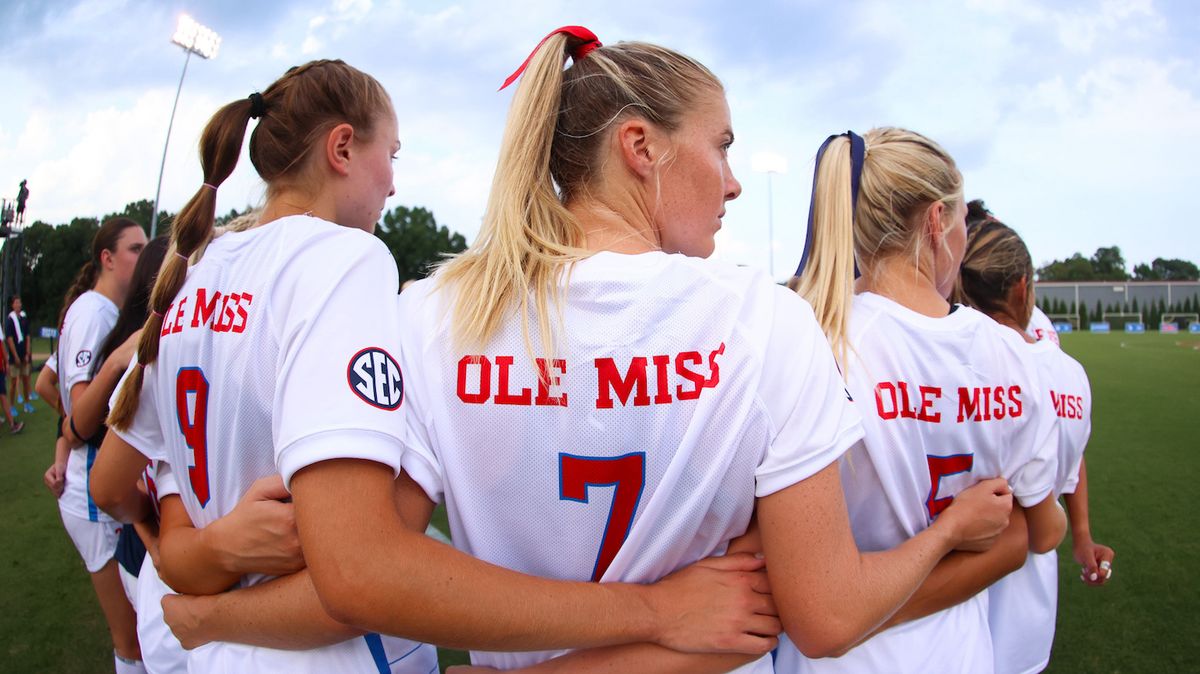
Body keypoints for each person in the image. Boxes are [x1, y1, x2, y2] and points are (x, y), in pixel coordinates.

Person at [152, 30, 1012, 674]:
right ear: (640, 147)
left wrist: (205, 610)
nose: (736, 181)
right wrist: (946, 537)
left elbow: (364, 577)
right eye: (722, 147)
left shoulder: (432, 314)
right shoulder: (760, 321)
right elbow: (822, 617)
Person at [91, 57, 775, 673]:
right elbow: (361, 568)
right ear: (342, 149)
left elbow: (115, 485)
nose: (393, 181)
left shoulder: (195, 271)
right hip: (313, 654)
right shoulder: (339, 260)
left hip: (204, 643)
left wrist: (201, 559)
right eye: (390, 154)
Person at [784, 128, 1067, 673]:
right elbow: (1041, 531)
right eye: (963, 223)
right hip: (957, 654)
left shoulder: (816, 339)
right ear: (937, 221)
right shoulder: (1014, 356)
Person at [954, 219, 1114, 674]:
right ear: (1024, 286)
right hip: (1019, 611)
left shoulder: (936, 360)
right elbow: (1065, 460)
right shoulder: (1064, 373)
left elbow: (1070, 451)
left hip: (944, 617)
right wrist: (1074, 533)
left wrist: (1081, 537)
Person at [52, 215, 148, 674]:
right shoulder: (95, 312)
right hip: (93, 493)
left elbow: (47, 384)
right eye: (134, 248)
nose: (144, 255)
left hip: (92, 480)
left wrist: (62, 442)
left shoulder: (97, 310)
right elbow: (82, 414)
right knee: (130, 637)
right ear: (107, 258)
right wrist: (70, 438)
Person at [8, 295, 35, 412]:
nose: (18, 305)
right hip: (15, 356)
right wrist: (15, 355)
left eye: (19, 303)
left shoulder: (23, 318)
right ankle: (11, 406)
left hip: (24, 354)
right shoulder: (10, 320)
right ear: (12, 305)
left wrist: (28, 352)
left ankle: (27, 404)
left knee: (25, 379)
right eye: (16, 303)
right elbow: (9, 339)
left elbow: (28, 336)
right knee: (13, 382)